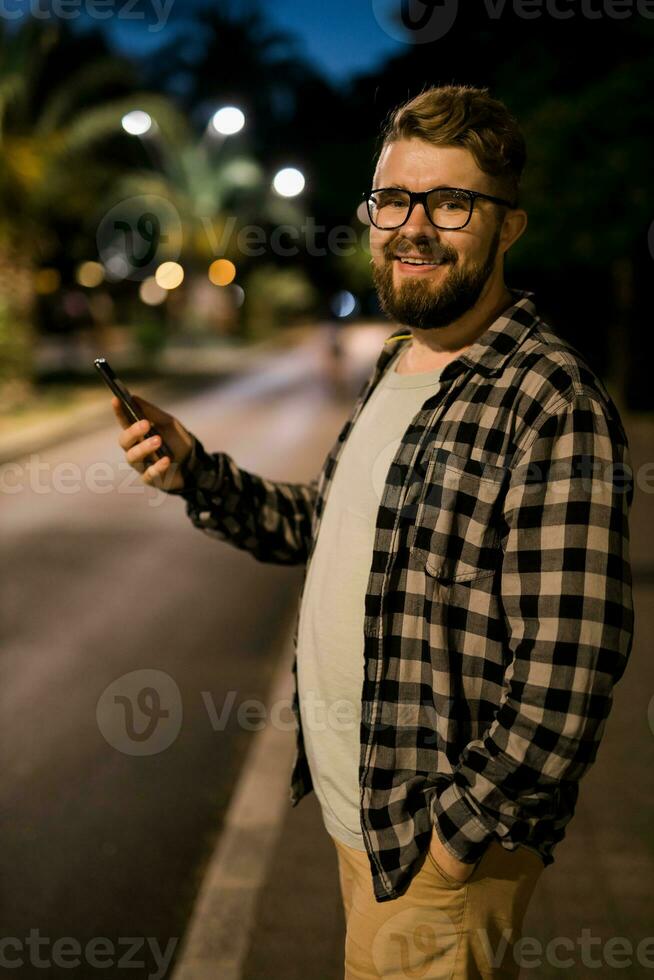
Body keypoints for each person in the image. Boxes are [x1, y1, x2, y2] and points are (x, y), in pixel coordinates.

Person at [112, 84, 634, 979]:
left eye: (452, 202)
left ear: (507, 226)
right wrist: (198, 471)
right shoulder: (400, 362)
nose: (414, 226)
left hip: (436, 858)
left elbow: (567, 678)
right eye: (394, 199)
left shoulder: (551, 402)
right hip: (366, 823)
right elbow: (319, 528)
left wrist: (453, 843)